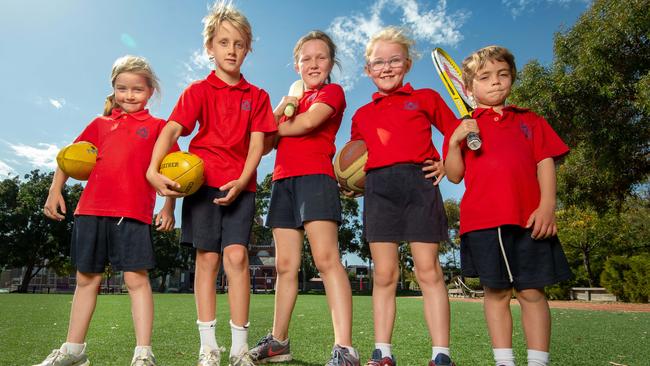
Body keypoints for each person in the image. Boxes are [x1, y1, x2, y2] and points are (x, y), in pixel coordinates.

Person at [145, 3, 277, 366]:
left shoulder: (258, 96)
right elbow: (171, 130)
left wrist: (244, 179)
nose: (231, 50)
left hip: (241, 186)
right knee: (207, 259)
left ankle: (239, 348)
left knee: (236, 258)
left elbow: (257, 146)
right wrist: (152, 171)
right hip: (202, 186)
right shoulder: (198, 90)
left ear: (247, 49)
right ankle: (209, 348)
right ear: (210, 47)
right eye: (223, 43)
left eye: (238, 44)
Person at [36, 55, 176, 366]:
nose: (129, 96)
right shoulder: (99, 124)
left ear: (150, 90)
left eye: (137, 89)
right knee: (86, 279)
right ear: (113, 89)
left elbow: (174, 170)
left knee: (136, 280)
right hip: (91, 210)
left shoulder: (159, 128)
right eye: (122, 89)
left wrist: (168, 206)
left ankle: (143, 354)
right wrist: (54, 189)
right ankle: (73, 351)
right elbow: (68, 158)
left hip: (133, 213)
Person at [444, 45, 572, 366]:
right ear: (469, 87)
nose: (496, 82)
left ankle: (538, 361)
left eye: (502, 74)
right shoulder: (465, 125)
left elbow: (545, 162)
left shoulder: (530, 120)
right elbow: (454, 175)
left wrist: (547, 207)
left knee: (532, 292)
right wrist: (454, 141)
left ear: (512, 78)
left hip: (529, 219)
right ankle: (504, 361)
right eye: (485, 77)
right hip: (483, 223)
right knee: (496, 294)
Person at [247, 30, 359, 366]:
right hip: (282, 182)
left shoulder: (332, 92)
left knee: (326, 260)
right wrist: (280, 109)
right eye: (306, 58)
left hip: (316, 179)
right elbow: (265, 147)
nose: (313, 64)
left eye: (321, 57)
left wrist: (273, 119)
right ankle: (279, 341)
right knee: (284, 266)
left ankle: (345, 349)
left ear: (331, 62)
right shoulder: (290, 100)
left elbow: (307, 124)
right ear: (297, 64)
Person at [348, 27, 457, 366]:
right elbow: (354, 159)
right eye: (378, 62)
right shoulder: (361, 116)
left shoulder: (426, 98)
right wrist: (347, 183)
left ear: (407, 64)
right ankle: (383, 352)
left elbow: (454, 132)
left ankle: (441, 355)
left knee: (429, 271)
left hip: (419, 186)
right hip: (379, 191)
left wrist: (445, 162)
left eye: (394, 60)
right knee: (384, 274)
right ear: (368, 69)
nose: (386, 67)